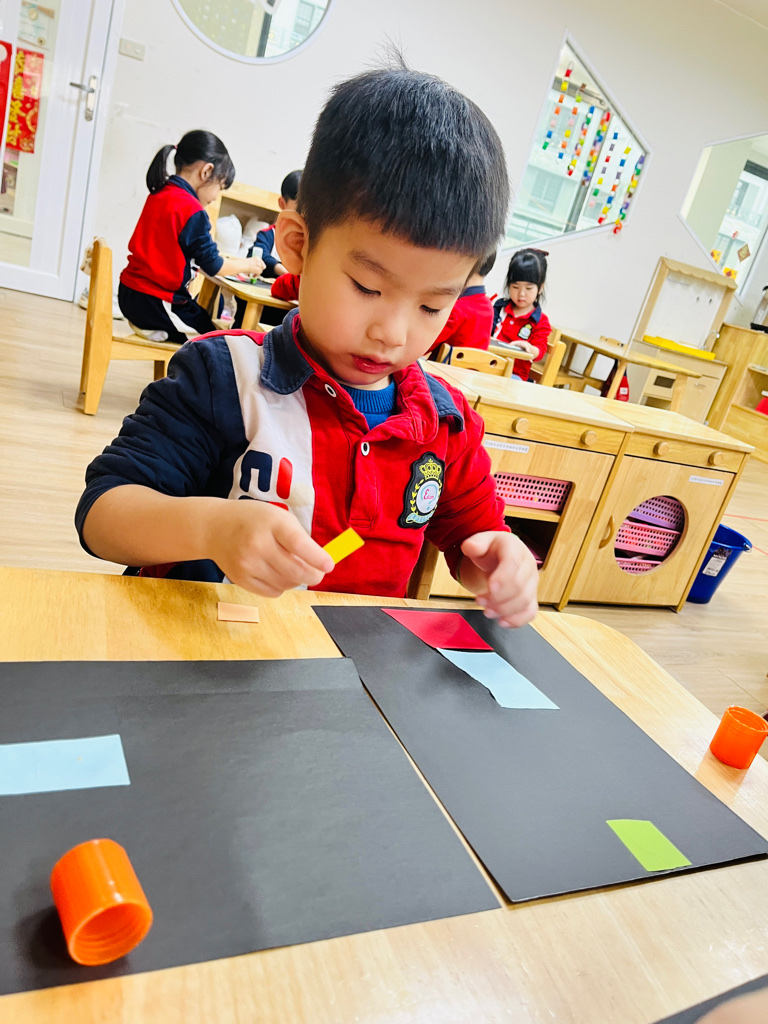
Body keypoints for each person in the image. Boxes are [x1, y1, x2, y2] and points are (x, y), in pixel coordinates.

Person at [76, 63, 538, 629]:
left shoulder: (444, 423)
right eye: (367, 287)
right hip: (198, 651)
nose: (393, 333)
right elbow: (102, 515)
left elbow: (475, 538)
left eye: (431, 306)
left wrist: (499, 562)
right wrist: (213, 529)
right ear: (296, 244)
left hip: (348, 668)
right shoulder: (224, 376)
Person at [118, 130, 265, 344]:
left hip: (130, 294)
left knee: (204, 321)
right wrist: (248, 264)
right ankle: (159, 330)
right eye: (220, 187)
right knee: (215, 342)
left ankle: (158, 331)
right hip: (156, 302)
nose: (215, 197)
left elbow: (185, 254)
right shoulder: (191, 210)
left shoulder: (161, 192)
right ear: (207, 171)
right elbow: (214, 265)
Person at [491, 248, 552, 381]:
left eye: (528, 288)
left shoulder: (540, 321)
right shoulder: (499, 308)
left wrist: (529, 347)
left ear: (540, 288)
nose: (521, 294)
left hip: (514, 376)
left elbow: (539, 351)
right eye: (515, 287)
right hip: (489, 366)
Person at [429, 251, 496, 353]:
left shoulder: (457, 307)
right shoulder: (488, 305)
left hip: (443, 363)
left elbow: (425, 346)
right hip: (474, 364)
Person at [249, 170, 302, 278]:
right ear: (282, 204)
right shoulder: (268, 235)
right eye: (299, 209)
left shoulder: (312, 240)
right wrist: (283, 272)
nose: (303, 215)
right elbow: (257, 255)